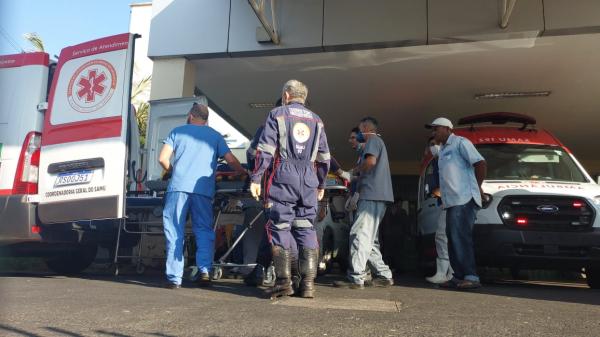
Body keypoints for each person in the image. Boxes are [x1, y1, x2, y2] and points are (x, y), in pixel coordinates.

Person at [250, 79, 330, 299]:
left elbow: (265, 149)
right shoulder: (317, 120)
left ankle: (284, 283)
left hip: (283, 178)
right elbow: (324, 157)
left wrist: (256, 178)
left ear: (286, 95)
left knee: (280, 227)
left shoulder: (277, 114)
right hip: (309, 181)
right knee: (306, 229)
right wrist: (321, 183)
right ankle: (308, 285)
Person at [158, 103, 246, 289]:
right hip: (203, 190)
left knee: (175, 230)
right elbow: (230, 160)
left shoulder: (177, 132)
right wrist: (243, 172)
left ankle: (174, 278)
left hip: (178, 187)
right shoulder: (214, 136)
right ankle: (204, 272)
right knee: (204, 230)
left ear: (190, 115)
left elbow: (162, 159)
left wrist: (174, 171)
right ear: (206, 120)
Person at [334, 117, 394, 289]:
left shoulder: (373, 140)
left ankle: (357, 277)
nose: (357, 135)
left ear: (366, 129)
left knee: (359, 234)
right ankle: (384, 275)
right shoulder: (375, 143)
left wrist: (353, 172)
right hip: (376, 196)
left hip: (372, 195)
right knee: (370, 239)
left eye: (359, 131)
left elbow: (370, 162)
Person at [427, 117, 487, 290]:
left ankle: (471, 276)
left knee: (461, 237)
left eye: (436, 129)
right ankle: (458, 276)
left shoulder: (461, 142)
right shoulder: (443, 149)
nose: (434, 132)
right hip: (452, 202)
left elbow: (481, 163)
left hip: (464, 199)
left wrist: (477, 187)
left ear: (447, 128)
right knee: (452, 238)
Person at [423, 136, 453, 284]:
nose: (432, 147)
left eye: (435, 144)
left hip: (452, 203)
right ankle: (449, 273)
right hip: (446, 203)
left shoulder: (446, 160)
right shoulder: (436, 162)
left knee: (443, 236)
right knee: (446, 237)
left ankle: (445, 273)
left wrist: (439, 191)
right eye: (431, 145)